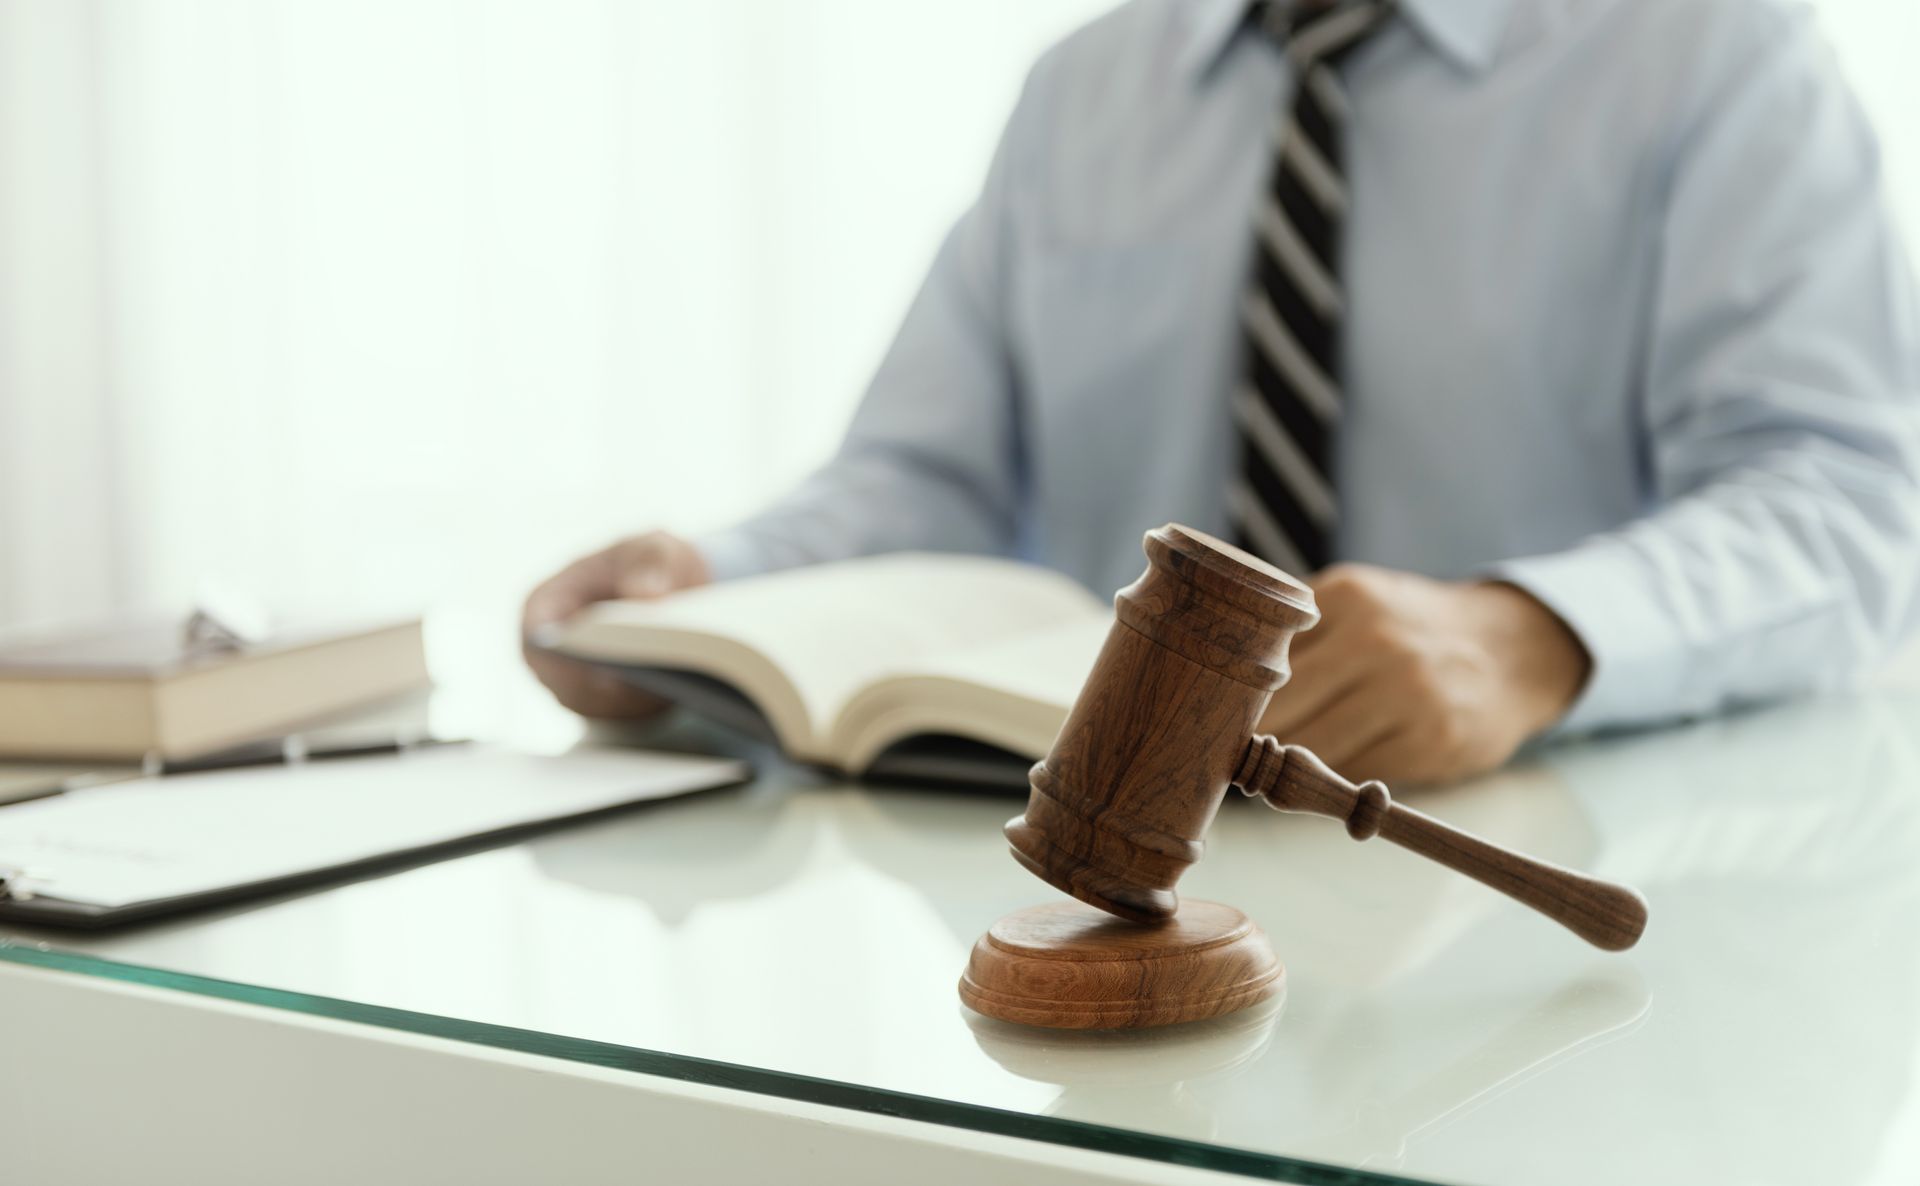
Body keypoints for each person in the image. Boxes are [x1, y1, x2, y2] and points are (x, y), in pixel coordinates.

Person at [526, 0, 1920, 785]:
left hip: (1547, 858)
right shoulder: (1080, 89)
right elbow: (927, 477)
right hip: (1104, 886)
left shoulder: (1720, 56)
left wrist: (1538, 635)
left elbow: (1847, 501)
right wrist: (715, 584)